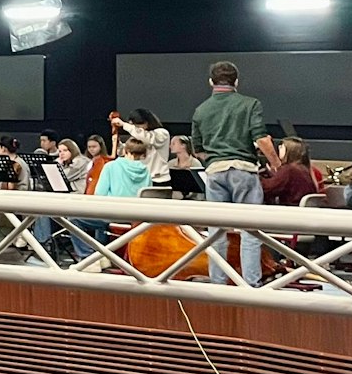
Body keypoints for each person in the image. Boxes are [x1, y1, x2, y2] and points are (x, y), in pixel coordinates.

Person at [189, 61, 279, 285]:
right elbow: (261, 139)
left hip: (215, 172)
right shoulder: (250, 104)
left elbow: (198, 149)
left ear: (210, 82)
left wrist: (215, 159)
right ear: (236, 81)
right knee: (250, 230)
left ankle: (218, 282)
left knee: (216, 231)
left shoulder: (201, 110)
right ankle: (250, 283)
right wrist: (276, 164)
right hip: (244, 170)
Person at [113, 108, 171, 183]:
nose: (135, 128)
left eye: (136, 125)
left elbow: (148, 138)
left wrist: (124, 125)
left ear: (146, 123)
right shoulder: (138, 136)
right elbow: (125, 152)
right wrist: (117, 143)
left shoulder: (162, 133)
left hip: (158, 179)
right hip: (141, 179)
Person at [261, 137, 322, 207]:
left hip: (290, 210)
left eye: (282, 146)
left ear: (289, 151)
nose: (279, 147)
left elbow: (268, 188)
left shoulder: (290, 170)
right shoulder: (304, 169)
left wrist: (256, 178)